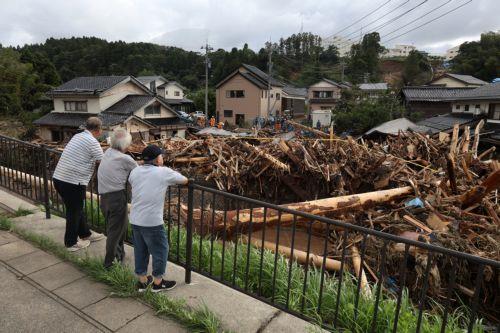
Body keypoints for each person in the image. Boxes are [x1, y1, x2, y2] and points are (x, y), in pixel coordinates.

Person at [128, 145, 188, 292]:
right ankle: (157, 283)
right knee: (161, 250)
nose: (163, 157)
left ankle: (142, 282)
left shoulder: (135, 171)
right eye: (161, 155)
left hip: (135, 218)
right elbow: (184, 180)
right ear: (157, 159)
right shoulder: (163, 172)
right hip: (152, 221)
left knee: (140, 250)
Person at [53, 117, 105, 252]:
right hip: (72, 182)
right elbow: (103, 161)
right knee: (74, 211)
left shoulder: (78, 136)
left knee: (76, 208)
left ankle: (85, 234)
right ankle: (71, 243)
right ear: (98, 130)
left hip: (59, 178)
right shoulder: (92, 142)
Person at [97, 128, 138, 269]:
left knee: (117, 228)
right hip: (116, 197)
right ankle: (110, 264)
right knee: (115, 232)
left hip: (104, 198)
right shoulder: (125, 158)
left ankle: (119, 256)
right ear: (125, 145)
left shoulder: (107, 152)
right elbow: (139, 173)